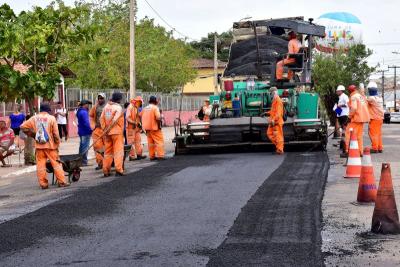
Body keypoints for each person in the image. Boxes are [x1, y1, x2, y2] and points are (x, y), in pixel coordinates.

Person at [20, 103, 69, 189]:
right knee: (56, 164)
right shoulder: (51, 118)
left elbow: (23, 127)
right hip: (51, 146)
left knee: (41, 166)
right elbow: (56, 134)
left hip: (39, 146)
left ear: (40, 109)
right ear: (48, 110)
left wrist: (33, 135)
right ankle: (62, 182)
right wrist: (57, 143)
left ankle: (43, 184)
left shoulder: (34, 118)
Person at [342, 84, 370, 158]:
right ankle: (360, 152)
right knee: (359, 136)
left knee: (348, 133)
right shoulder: (361, 96)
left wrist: (349, 117)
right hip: (362, 119)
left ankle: (347, 151)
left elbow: (354, 108)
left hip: (356, 118)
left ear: (350, 91)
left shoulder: (354, 97)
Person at [100, 92, 125, 177]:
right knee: (118, 151)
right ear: (119, 99)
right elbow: (115, 120)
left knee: (108, 152)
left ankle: (106, 171)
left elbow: (101, 118)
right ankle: (119, 170)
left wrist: (104, 129)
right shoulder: (118, 107)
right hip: (116, 132)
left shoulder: (106, 107)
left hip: (107, 133)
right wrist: (109, 128)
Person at [140, 96, 165, 160]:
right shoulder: (155, 108)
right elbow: (158, 118)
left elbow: (139, 116)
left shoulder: (145, 108)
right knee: (159, 142)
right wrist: (160, 122)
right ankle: (160, 156)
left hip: (147, 128)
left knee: (151, 143)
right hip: (154, 128)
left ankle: (152, 156)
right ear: (155, 101)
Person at [89, 93, 106, 170]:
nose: (100, 100)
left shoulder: (107, 107)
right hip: (97, 130)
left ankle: (108, 162)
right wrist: (93, 125)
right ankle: (100, 163)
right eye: (99, 98)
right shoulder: (95, 107)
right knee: (97, 147)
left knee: (106, 147)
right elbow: (91, 116)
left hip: (106, 130)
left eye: (102, 98)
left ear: (104, 99)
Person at [126, 96, 146, 161]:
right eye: (140, 103)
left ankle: (139, 154)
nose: (141, 104)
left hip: (136, 128)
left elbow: (137, 117)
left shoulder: (135, 107)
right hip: (130, 128)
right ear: (138, 101)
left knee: (138, 141)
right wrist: (134, 122)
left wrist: (139, 124)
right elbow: (127, 118)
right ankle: (132, 156)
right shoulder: (130, 107)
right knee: (131, 142)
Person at [367, 82, 384, 153]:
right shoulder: (380, 98)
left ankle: (374, 148)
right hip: (380, 118)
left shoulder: (371, 98)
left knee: (373, 133)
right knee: (378, 134)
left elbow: (364, 100)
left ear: (370, 90)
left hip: (374, 118)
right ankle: (379, 147)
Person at [266, 87, 284, 154]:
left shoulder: (278, 101)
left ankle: (280, 149)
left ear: (273, 93)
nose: (270, 95)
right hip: (273, 122)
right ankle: (279, 146)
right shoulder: (275, 101)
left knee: (278, 136)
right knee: (269, 133)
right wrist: (266, 113)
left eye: (271, 93)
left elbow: (278, 113)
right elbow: (273, 111)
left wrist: (274, 119)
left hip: (276, 122)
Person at [76, 100, 93, 166]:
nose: (88, 105)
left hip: (81, 131)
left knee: (82, 147)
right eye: (87, 104)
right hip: (85, 132)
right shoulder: (84, 112)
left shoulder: (79, 111)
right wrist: (90, 130)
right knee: (85, 147)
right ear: (84, 104)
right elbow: (86, 123)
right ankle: (84, 162)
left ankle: (80, 161)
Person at [333, 85, 349, 151]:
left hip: (344, 115)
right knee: (343, 130)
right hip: (341, 115)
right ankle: (342, 145)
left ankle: (345, 145)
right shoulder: (340, 97)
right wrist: (336, 109)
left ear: (341, 91)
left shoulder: (345, 96)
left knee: (344, 130)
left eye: (337, 91)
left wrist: (341, 105)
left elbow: (348, 104)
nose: (336, 92)